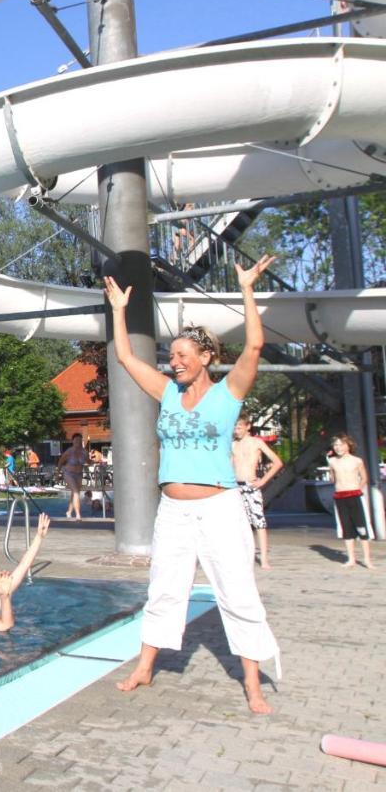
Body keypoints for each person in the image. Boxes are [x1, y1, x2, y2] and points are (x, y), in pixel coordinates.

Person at [104, 257, 281, 715]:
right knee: (164, 588)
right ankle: (145, 666)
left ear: (206, 358)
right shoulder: (167, 393)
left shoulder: (228, 395)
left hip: (219, 507)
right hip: (174, 510)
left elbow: (256, 345)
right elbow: (125, 358)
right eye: (171, 355)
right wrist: (119, 311)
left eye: (182, 354)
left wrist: (245, 288)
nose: (173, 360)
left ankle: (253, 684)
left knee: (237, 590)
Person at [232, 416, 284, 570]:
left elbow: (277, 462)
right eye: (235, 427)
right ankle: (243, 556)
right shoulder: (232, 445)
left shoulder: (257, 442)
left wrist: (263, 481)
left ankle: (264, 559)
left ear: (248, 426)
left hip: (251, 484)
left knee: (259, 522)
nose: (236, 430)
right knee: (239, 523)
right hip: (236, 486)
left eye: (239, 427)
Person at [328, 433, 375, 569]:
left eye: (341, 444)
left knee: (362, 527)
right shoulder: (332, 461)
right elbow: (332, 479)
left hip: (354, 494)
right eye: (335, 445)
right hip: (340, 495)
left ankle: (367, 559)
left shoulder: (357, 460)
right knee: (346, 527)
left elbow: (364, 478)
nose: (338, 447)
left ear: (348, 445)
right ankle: (351, 559)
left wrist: (358, 489)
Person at [57, 435, 88, 521]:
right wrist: (58, 473)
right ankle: (78, 514)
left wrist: (91, 461)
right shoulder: (69, 451)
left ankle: (69, 511)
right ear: (73, 441)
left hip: (79, 474)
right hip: (69, 473)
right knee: (76, 493)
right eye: (76, 440)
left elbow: (87, 461)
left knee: (74, 493)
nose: (78, 441)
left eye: (79, 440)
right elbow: (60, 462)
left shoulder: (84, 451)